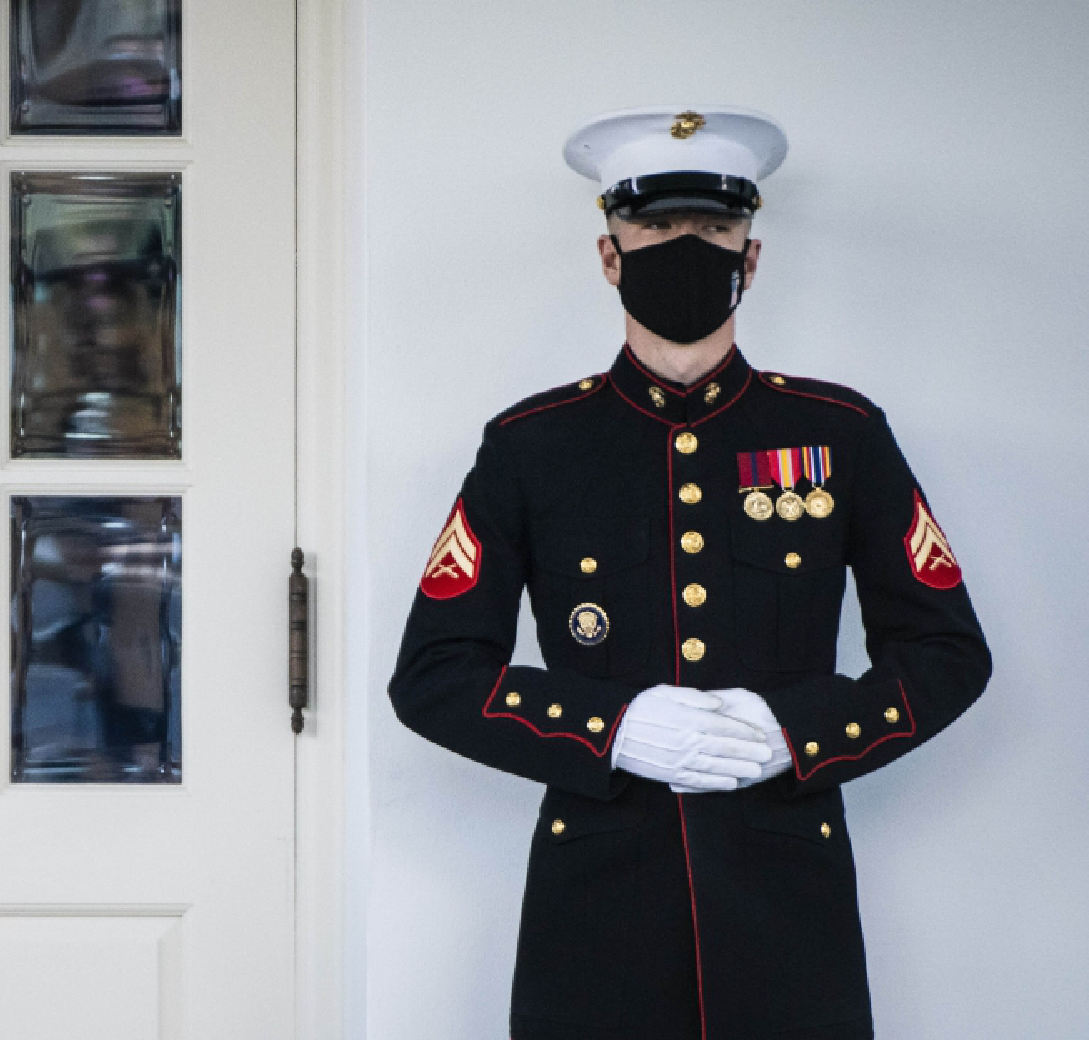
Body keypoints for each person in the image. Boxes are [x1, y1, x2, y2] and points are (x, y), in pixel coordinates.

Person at [387, 107, 990, 1040]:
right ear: (608, 252)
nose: (686, 247)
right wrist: (609, 726)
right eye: (657, 226)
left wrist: (798, 728)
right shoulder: (531, 447)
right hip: (595, 908)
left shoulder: (838, 434)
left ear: (752, 257)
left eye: (714, 229)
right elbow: (433, 674)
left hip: (788, 900)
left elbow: (947, 651)